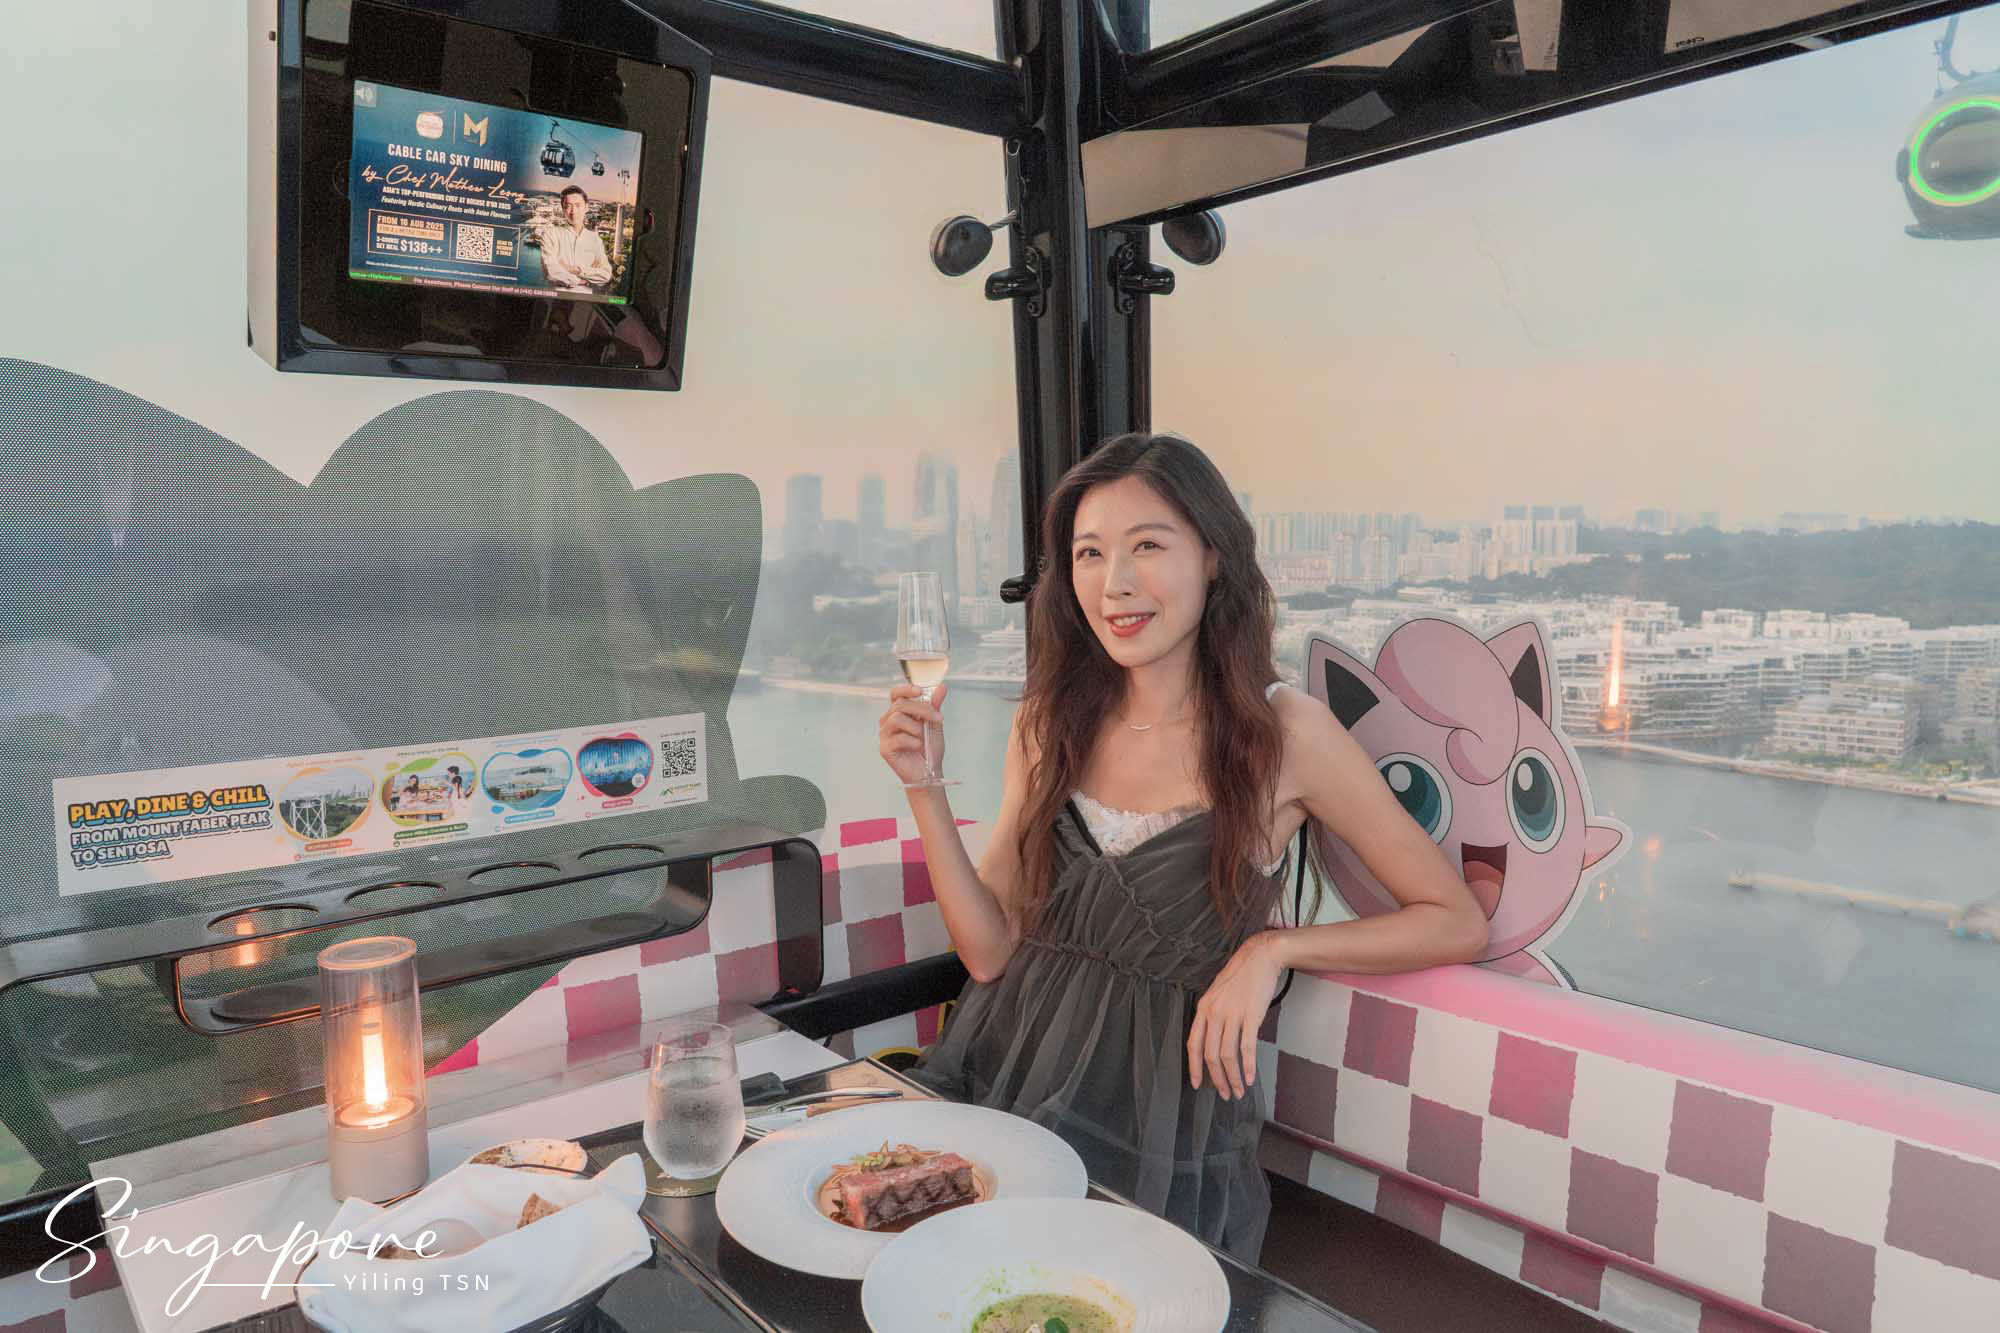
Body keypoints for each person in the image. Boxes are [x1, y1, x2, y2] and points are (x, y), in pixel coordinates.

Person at [879, 433, 1488, 1262]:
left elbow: (1454, 918)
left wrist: (1273, 950)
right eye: (1089, 553)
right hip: (1001, 1068)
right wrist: (923, 784)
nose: (1115, 583)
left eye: (1147, 546)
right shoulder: (1048, 719)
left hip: (1155, 1127)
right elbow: (988, 950)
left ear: (1212, 556)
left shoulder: (1284, 734)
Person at [537, 187, 613, 292]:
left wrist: (576, 270)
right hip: (556, 298)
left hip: (585, 300)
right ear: (563, 208)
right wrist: (584, 281)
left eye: (578, 205)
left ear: (586, 207)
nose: (573, 211)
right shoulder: (550, 235)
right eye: (568, 206)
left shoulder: (595, 239)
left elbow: (606, 275)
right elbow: (551, 272)